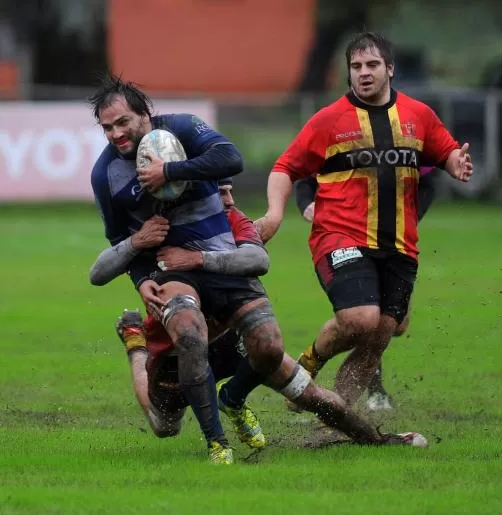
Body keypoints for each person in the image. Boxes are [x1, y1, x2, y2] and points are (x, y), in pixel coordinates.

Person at [89, 76, 431, 464]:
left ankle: (375, 439)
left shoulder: (228, 212)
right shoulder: (106, 176)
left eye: (122, 123)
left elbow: (232, 169)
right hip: (178, 297)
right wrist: (144, 275)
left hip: (226, 311)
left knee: (300, 384)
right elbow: (120, 243)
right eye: (107, 127)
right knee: (164, 422)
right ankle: (136, 344)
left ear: (145, 115)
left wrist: (172, 173)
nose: (116, 134)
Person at [255, 32, 473, 408]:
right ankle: (309, 365)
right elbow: (285, 167)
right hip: (340, 237)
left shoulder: (418, 116)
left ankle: (335, 412)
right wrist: (275, 214)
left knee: (386, 330)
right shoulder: (329, 121)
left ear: (390, 68)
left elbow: (445, 151)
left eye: (372, 65)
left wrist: (457, 163)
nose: (363, 73)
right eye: (356, 67)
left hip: (400, 245)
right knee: (360, 318)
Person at [92, 178, 267, 448]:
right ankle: (135, 343)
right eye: (220, 192)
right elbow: (98, 274)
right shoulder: (165, 229)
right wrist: (136, 246)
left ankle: (232, 403)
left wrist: (276, 212)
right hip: (174, 344)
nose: (230, 201)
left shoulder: (235, 220)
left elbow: (259, 259)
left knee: (269, 351)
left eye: (230, 192)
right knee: (164, 428)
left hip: (221, 329)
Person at [292, 166, 437, 411]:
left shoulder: (406, 134)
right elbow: (304, 176)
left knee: (394, 325)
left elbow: (428, 181)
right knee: (363, 318)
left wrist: (408, 218)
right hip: (347, 238)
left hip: (395, 241)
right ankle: (339, 405)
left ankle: (311, 363)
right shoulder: (339, 134)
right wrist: (307, 204)